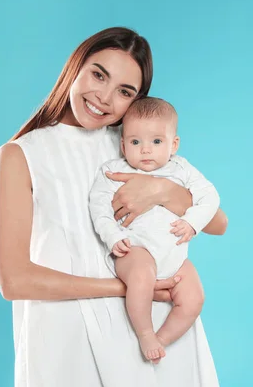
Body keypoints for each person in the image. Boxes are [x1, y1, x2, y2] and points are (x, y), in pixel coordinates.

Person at [0, 27, 228, 386]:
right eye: (98, 74)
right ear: (76, 65)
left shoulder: (134, 145)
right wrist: (133, 286)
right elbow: (14, 281)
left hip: (156, 341)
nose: (103, 97)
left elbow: (218, 222)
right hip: (68, 339)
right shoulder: (21, 154)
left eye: (124, 92)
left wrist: (161, 190)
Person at [89, 97, 220, 363]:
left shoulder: (182, 169)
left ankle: (163, 339)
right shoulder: (114, 170)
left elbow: (210, 197)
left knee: (194, 298)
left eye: (156, 142)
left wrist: (193, 222)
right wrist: (113, 237)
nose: (145, 150)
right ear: (123, 144)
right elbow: (98, 206)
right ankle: (146, 332)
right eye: (136, 142)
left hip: (175, 257)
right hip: (135, 248)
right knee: (141, 275)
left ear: (174, 144)